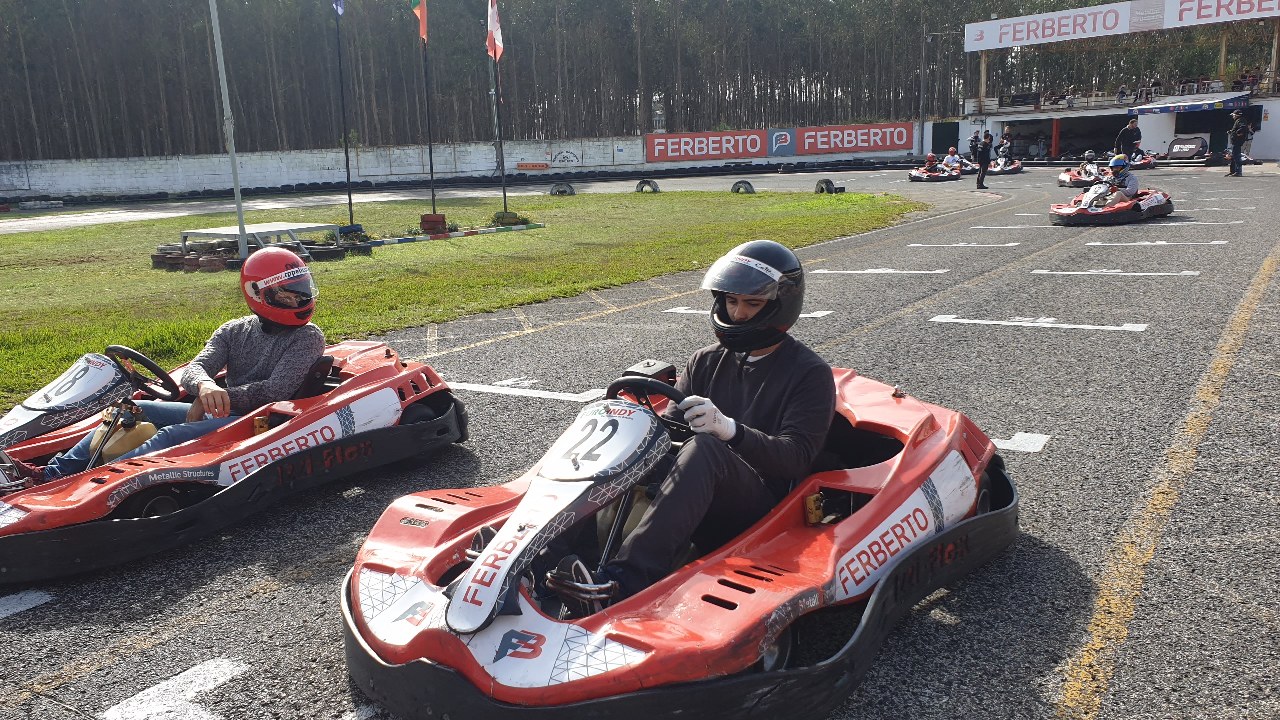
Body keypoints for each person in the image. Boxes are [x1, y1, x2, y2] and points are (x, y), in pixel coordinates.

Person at [559, 240, 836, 607]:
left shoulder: (809, 374)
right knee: (618, 441)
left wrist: (730, 431)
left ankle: (623, 582)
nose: (738, 314)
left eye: (752, 304)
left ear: (779, 305)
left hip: (762, 510)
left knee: (706, 447)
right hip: (694, 487)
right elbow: (669, 431)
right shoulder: (705, 360)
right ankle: (547, 556)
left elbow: (796, 457)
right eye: (732, 301)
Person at [16, 247, 326, 483]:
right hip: (223, 412)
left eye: (301, 291)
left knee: (170, 435)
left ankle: (91, 484)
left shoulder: (308, 336)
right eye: (287, 294)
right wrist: (206, 387)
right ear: (258, 294)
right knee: (129, 410)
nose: (298, 301)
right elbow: (195, 368)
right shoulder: (233, 330)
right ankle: (49, 475)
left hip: (269, 421)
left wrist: (218, 399)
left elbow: (277, 389)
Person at [1227, 108, 1250, 177]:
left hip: (1237, 142)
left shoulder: (1241, 120)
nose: (1233, 116)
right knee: (1233, 156)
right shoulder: (1238, 121)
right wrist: (1231, 132)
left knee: (1236, 156)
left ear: (1236, 115)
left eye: (1233, 115)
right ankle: (1233, 171)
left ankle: (1238, 172)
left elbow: (1243, 128)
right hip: (1235, 142)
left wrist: (1237, 133)